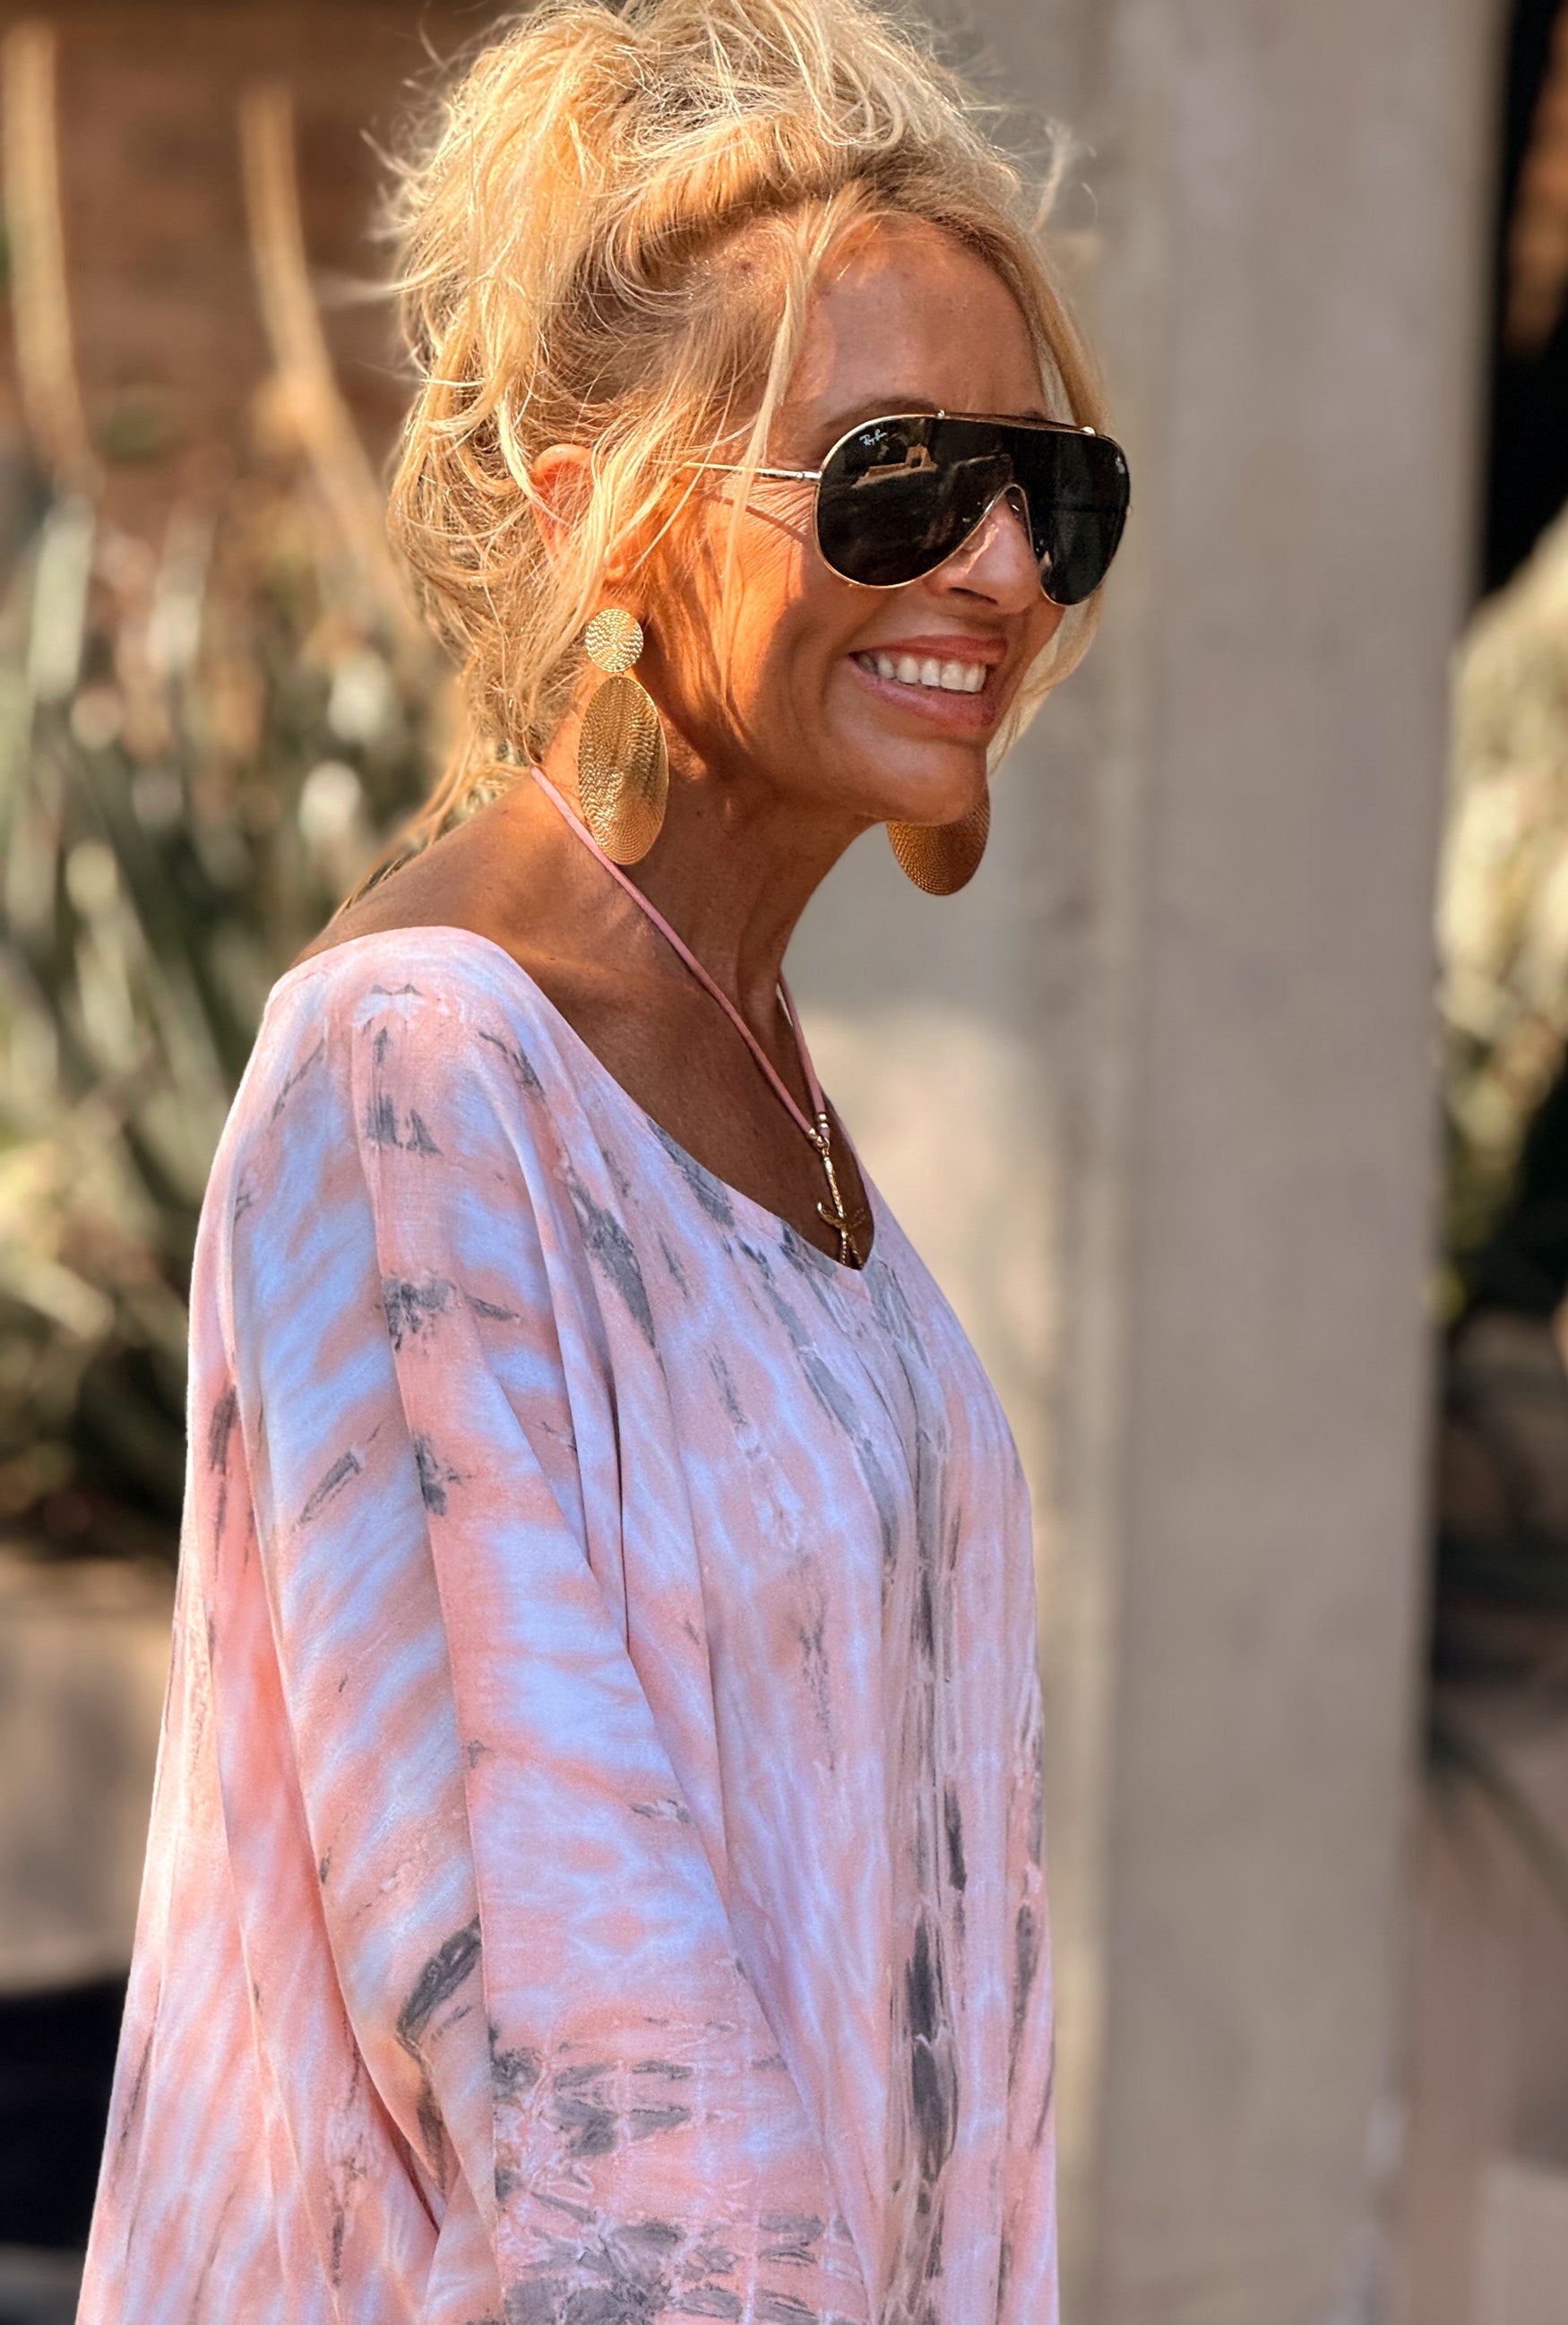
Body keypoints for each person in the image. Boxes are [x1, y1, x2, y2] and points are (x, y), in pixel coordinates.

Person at [78, 2, 1128, 2320]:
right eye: (892, 480)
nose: (995, 568)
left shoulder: (747, 1062)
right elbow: (576, 2054)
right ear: (600, 514)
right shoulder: (420, 1079)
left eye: (1047, 494)